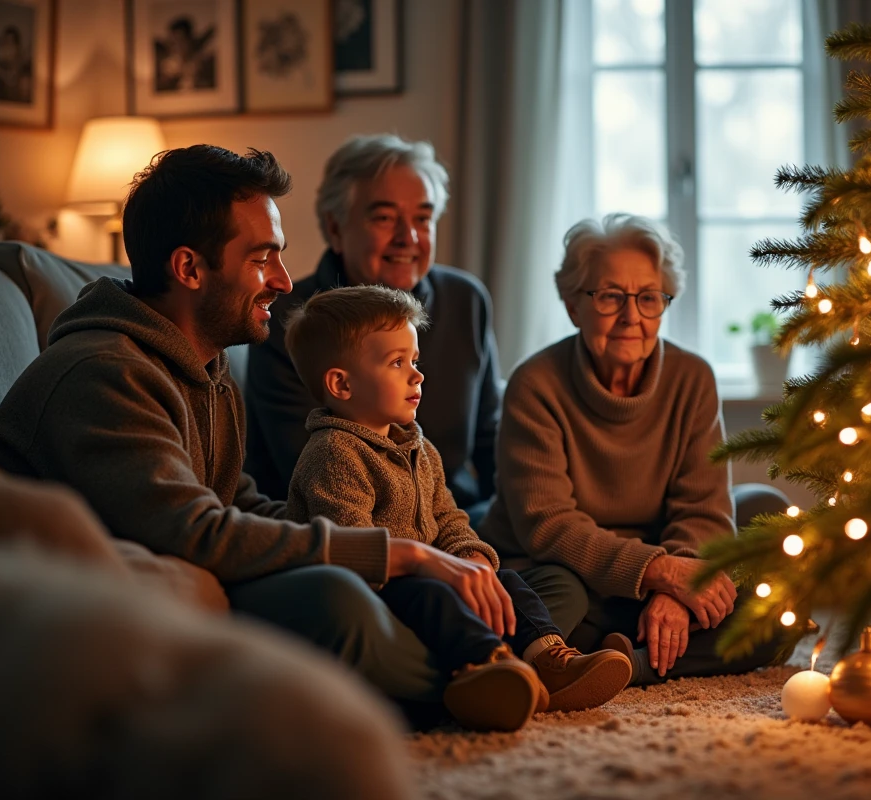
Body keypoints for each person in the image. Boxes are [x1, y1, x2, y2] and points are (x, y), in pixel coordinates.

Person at [0, 145, 485, 705]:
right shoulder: (106, 374)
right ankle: (470, 677)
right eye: (263, 259)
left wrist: (386, 546)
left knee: (399, 585)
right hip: (66, 612)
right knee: (336, 599)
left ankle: (480, 661)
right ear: (189, 268)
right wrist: (396, 553)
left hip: (182, 569)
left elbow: (235, 500)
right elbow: (195, 531)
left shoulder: (206, 368)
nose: (284, 282)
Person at [282, 285, 631, 730]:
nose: (417, 375)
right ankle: (489, 667)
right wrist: (438, 571)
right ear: (342, 384)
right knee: (434, 596)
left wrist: (472, 560)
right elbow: (354, 548)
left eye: (414, 360)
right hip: (382, 592)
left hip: (438, 579)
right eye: (396, 362)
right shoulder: (334, 452)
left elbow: (449, 518)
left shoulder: (419, 447)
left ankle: (547, 659)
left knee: (511, 581)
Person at [479, 213, 790, 686]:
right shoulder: (535, 384)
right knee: (559, 604)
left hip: (655, 570)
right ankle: (599, 653)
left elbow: (702, 508)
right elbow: (549, 525)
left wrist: (679, 589)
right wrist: (660, 571)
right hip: (563, 570)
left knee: (774, 607)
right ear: (573, 305)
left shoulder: (692, 379)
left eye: (648, 298)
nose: (632, 317)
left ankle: (625, 663)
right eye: (610, 297)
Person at [245, 135, 501, 528]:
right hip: (343, 526)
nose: (408, 238)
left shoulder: (465, 299)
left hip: (454, 516)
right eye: (384, 218)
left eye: (423, 219)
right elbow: (313, 468)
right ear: (335, 227)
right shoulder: (291, 317)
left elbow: (490, 437)